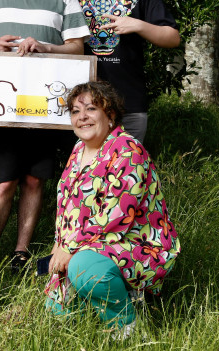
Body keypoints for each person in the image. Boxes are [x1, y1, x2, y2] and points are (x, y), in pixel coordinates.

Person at [0, 0, 90, 270]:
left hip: (46, 108)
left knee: (33, 179)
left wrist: (46, 47)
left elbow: (78, 48)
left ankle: (21, 251)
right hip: (0, 106)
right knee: (2, 182)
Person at [43, 81, 180, 337]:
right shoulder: (78, 150)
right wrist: (58, 245)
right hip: (89, 243)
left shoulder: (128, 150)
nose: (82, 117)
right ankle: (98, 298)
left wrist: (70, 249)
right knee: (58, 316)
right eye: (75, 111)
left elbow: (114, 216)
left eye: (91, 109)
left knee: (84, 269)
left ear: (111, 115)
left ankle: (126, 325)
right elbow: (67, 208)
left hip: (135, 243)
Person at [62, 0, 180, 142]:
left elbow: (172, 38)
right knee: (87, 173)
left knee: (127, 173)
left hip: (129, 101)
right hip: (81, 104)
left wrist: (137, 24)